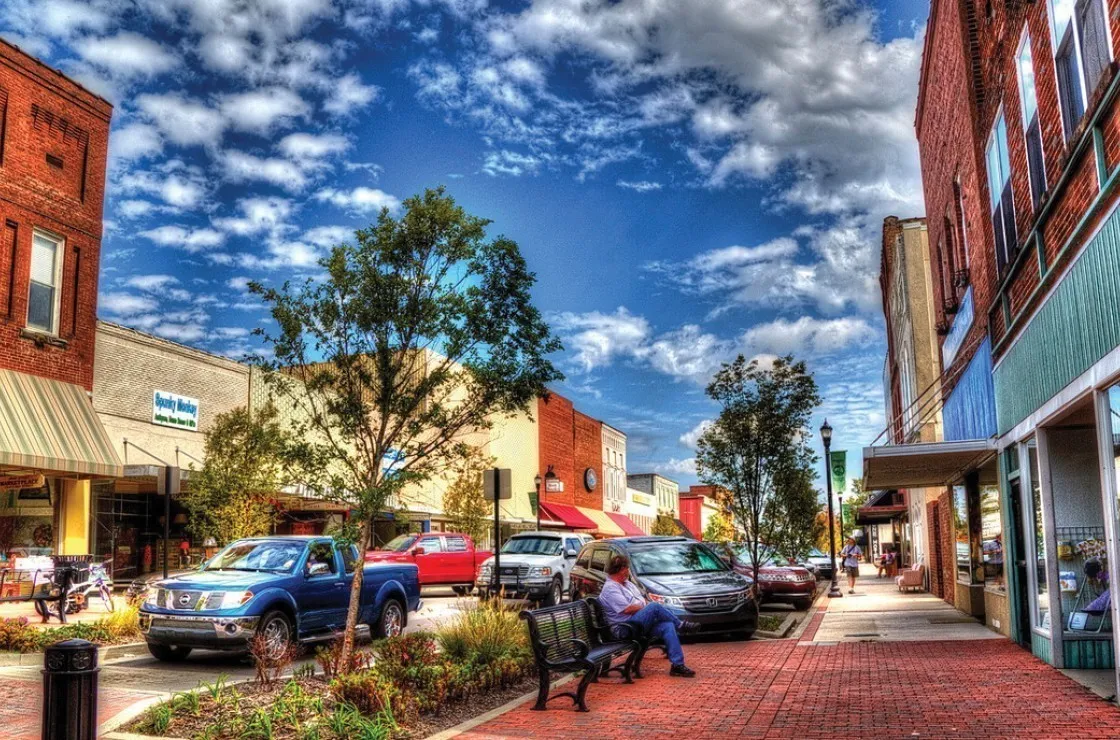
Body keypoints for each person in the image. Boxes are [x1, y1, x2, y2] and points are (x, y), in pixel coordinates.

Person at [598, 554, 699, 677]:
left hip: (637, 624)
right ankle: (681, 625)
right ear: (621, 569)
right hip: (624, 629)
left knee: (667, 626)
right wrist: (645, 607)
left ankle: (677, 665)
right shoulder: (610, 588)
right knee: (654, 606)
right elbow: (627, 609)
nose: (628, 571)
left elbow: (642, 600)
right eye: (627, 568)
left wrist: (644, 606)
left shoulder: (628, 584)